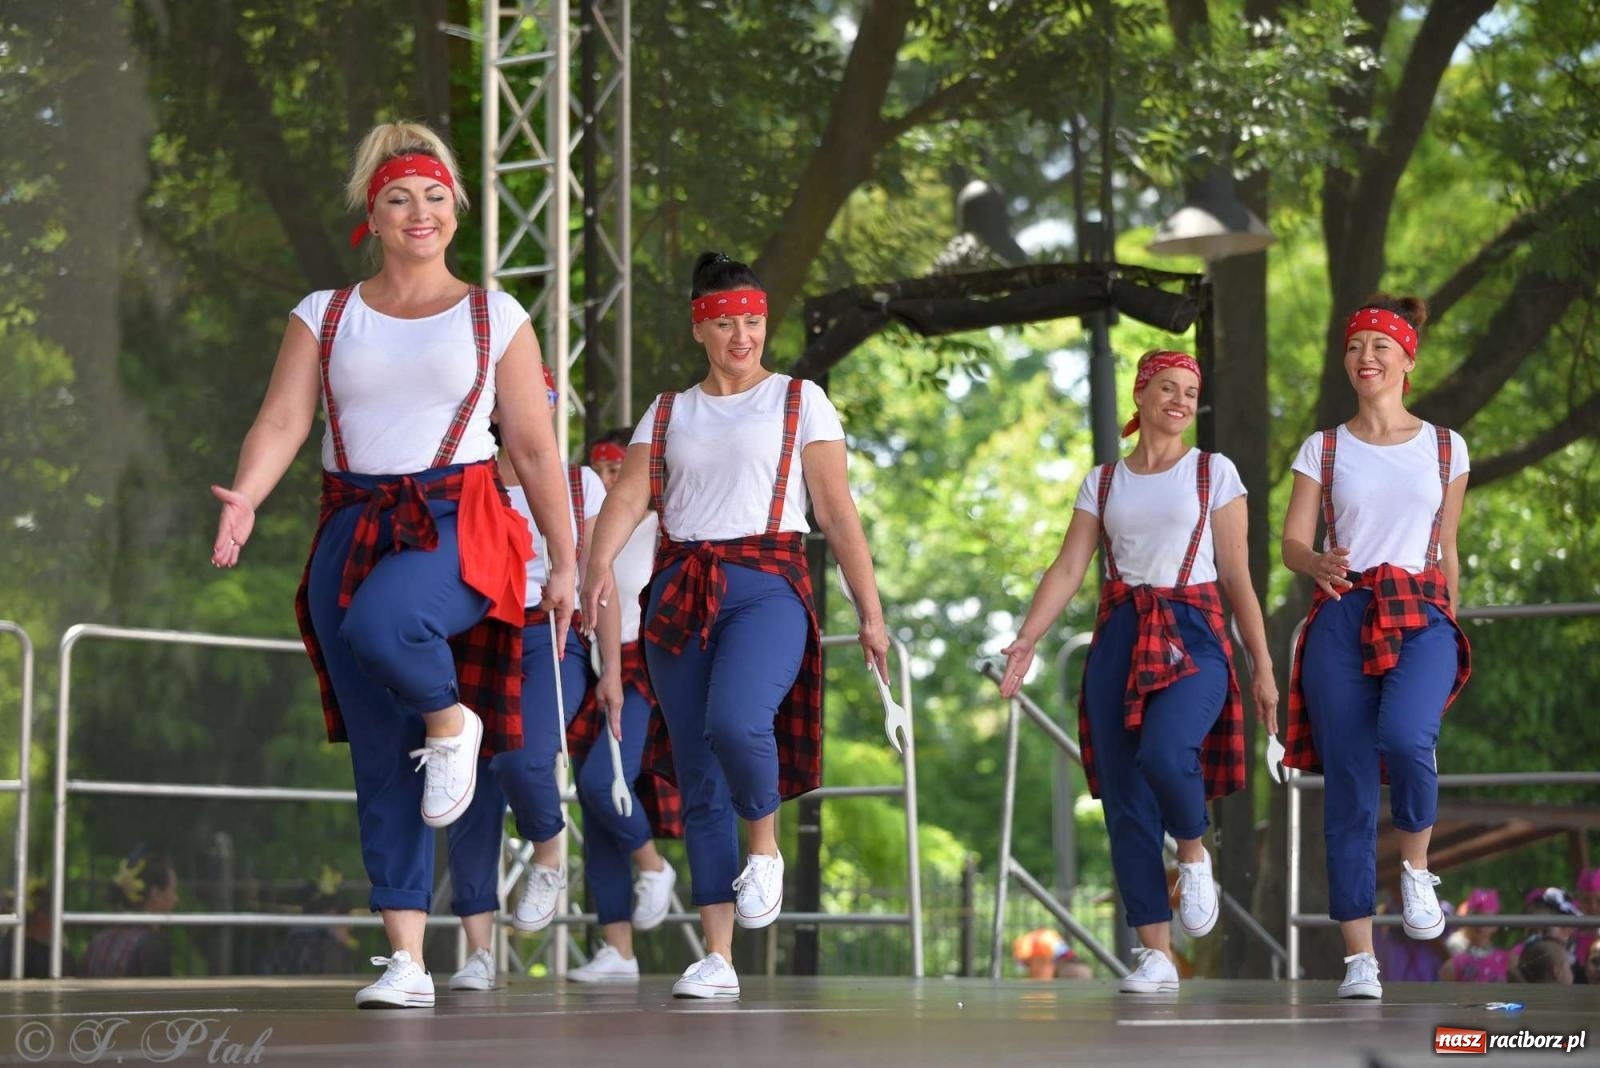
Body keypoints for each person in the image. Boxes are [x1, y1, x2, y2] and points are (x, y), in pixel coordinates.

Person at [210, 121, 576, 1009]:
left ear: (457, 212)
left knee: (388, 624)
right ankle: (407, 958)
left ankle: (454, 721)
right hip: (353, 519)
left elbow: (531, 444)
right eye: (400, 198)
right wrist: (251, 494)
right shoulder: (324, 314)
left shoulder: (498, 314)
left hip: (459, 516)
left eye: (436, 197)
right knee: (380, 754)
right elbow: (286, 420)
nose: (421, 212)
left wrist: (566, 561)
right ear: (372, 215)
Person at [581, 251, 889, 1000]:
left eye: (753, 321)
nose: (742, 335)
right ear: (702, 328)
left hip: (767, 586)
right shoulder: (668, 411)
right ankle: (717, 956)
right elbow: (626, 500)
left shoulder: (798, 400)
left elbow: (837, 511)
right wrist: (593, 568)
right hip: (679, 593)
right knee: (696, 776)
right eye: (727, 323)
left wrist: (870, 613)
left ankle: (766, 845)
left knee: (737, 721)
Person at [997, 348, 1277, 996]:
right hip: (1122, 634)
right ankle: (1154, 953)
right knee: (1124, 802)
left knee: (1166, 749)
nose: (1180, 401)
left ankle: (1192, 851)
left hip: (1194, 633)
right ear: (1141, 394)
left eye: (1189, 392)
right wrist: (1027, 640)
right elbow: (1069, 568)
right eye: (1168, 388)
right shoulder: (1103, 481)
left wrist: (1263, 666)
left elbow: (1237, 577)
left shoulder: (1214, 473)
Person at [1281, 293, 1471, 1001]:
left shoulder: (1446, 446)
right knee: (1350, 786)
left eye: (1379, 348)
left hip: (1421, 609)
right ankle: (1360, 960)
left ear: (1406, 359)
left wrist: (1451, 610)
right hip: (1343, 610)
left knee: (1407, 734)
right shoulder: (1323, 447)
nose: (1365, 358)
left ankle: (1418, 870)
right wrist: (1314, 563)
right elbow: (1292, 542)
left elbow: (1446, 541)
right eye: (1355, 347)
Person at [444, 370, 621, 992]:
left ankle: (548, 849)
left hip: (549, 637)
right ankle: (476, 952)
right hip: (472, 635)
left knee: (524, 760)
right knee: (468, 790)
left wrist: (614, 670)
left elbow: (603, 580)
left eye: (541, 401)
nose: (528, 411)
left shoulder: (580, 484)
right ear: (492, 412)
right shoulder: (471, 480)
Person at [562, 430, 683, 985]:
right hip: (595, 668)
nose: (610, 478)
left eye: (620, 469)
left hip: (645, 672)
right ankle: (619, 949)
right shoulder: (587, 534)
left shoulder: (666, 530)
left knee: (600, 782)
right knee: (598, 804)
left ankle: (653, 866)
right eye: (601, 469)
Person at [81, 852, 178, 978]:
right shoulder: (152, 947)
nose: (176, 899)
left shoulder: (98, 942)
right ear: (156, 895)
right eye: (173, 890)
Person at [1439, 888, 1509, 982]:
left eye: (1486, 919)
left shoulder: (1506, 960)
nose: (1480, 926)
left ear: (1496, 925)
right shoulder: (1454, 964)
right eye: (1476, 916)